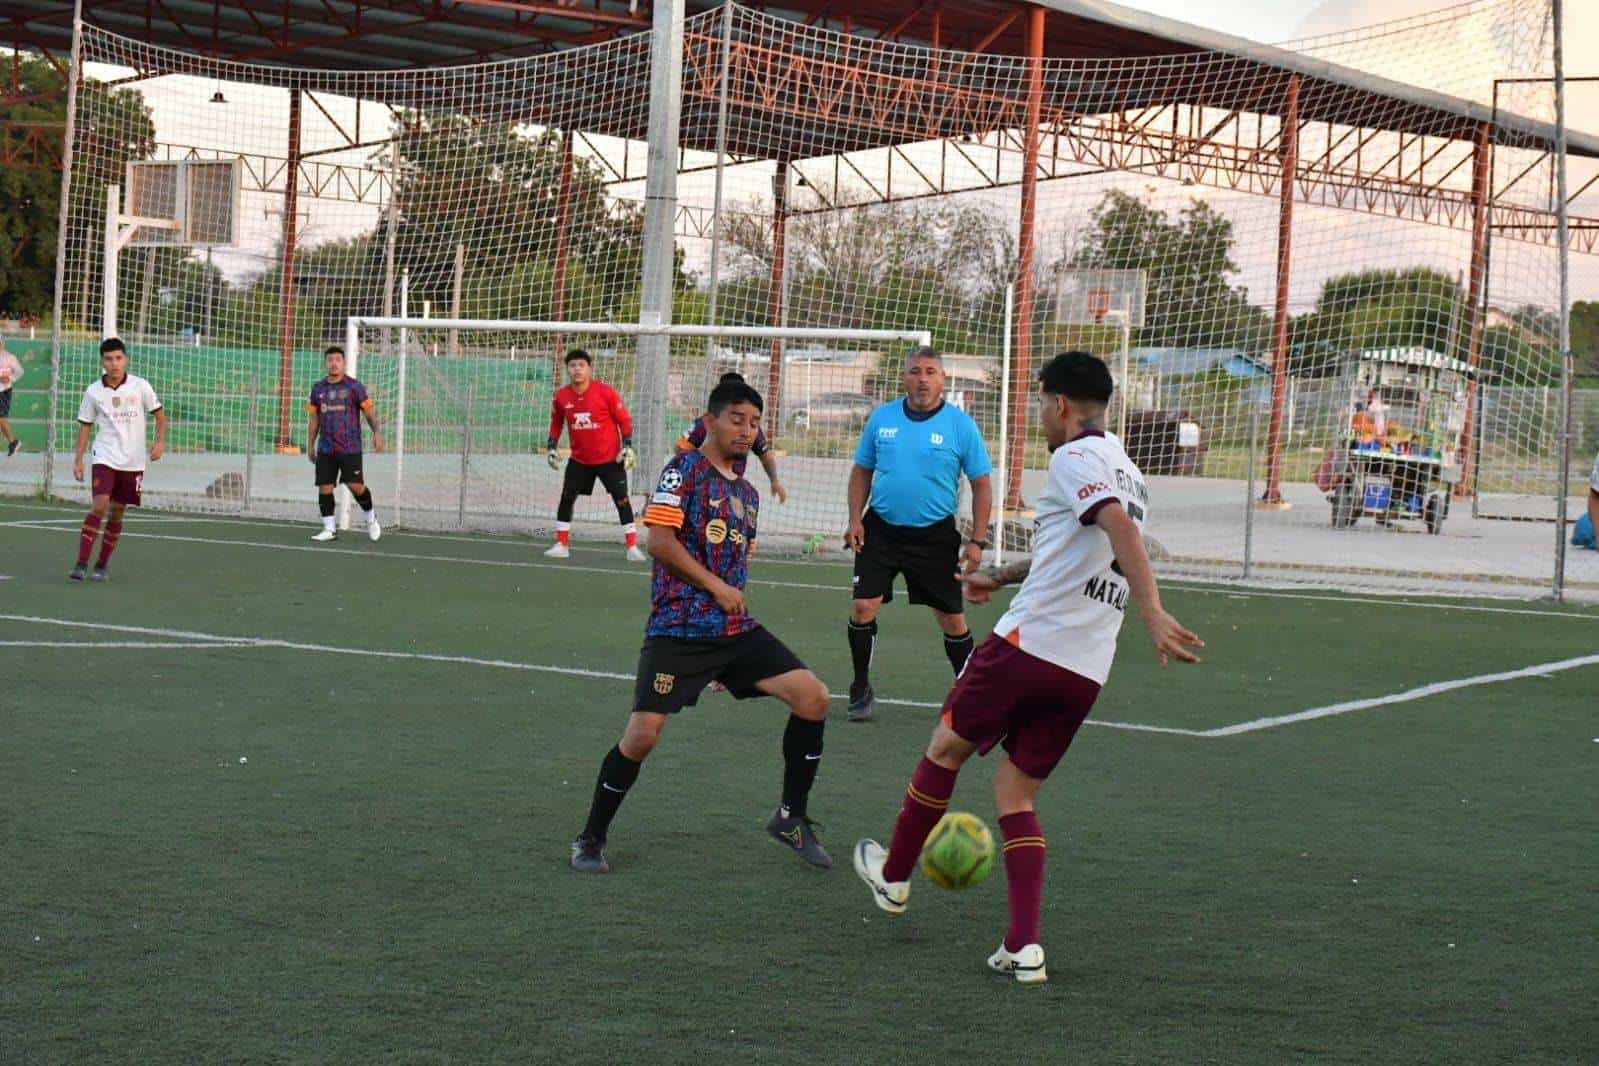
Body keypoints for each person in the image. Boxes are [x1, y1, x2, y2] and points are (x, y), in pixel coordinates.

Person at [852, 351, 1203, 984]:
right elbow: (1081, 547)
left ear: (1062, 405)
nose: (1041, 415)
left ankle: (895, 876)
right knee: (1016, 792)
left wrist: (1152, 610)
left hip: (1030, 647)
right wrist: (1002, 573)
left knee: (945, 747)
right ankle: (1023, 945)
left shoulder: (1075, 457)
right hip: (1086, 667)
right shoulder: (1129, 469)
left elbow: (1120, 533)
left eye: (1042, 403)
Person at [570, 379, 832, 874]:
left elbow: (737, 568)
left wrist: (726, 608)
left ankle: (790, 817)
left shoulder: (749, 495)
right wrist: (715, 587)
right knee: (643, 735)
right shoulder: (683, 471)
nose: (746, 430)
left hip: (733, 632)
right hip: (678, 630)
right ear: (709, 421)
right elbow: (660, 542)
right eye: (736, 419)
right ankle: (591, 837)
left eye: (753, 423)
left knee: (813, 697)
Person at [843, 345, 993, 722]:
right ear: (905, 376)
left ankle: (971, 695)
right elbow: (862, 470)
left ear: (942, 379)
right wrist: (854, 519)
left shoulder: (961, 426)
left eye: (930, 371)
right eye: (915, 371)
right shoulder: (882, 418)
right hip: (881, 531)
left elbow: (982, 485)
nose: (922, 378)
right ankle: (860, 686)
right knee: (863, 607)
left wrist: (977, 541)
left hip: (935, 537)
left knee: (952, 620)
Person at [69, 338, 167, 581]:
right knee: (100, 504)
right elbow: (85, 427)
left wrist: (160, 442)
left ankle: (101, 565)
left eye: (118, 358)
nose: (114, 364)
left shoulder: (140, 386)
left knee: (117, 512)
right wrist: (78, 459)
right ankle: (81, 563)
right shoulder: (93, 391)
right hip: (104, 455)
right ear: (102, 362)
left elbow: (160, 417)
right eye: (109, 359)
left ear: (126, 359)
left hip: (133, 461)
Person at [545, 350, 643, 561]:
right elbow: (556, 422)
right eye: (573, 365)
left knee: (622, 500)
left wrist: (627, 445)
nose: (577, 369)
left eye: (581, 365)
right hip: (580, 460)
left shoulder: (605, 392)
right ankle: (562, 544)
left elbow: (624, 420)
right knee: (566, 498)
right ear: (567, 369)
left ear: (589, 368)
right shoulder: (562, 396)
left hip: (609, 459)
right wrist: (551, 446)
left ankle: (632, 546)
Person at [308, 345, 383, 542]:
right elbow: (314, 419)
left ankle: (371, 516)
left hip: (350, 447)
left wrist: (377, 432)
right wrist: (310, 444)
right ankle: (329, 529)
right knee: (324, 486)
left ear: (344, 363)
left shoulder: (354, 387)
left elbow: (369, 413)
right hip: (326, 447)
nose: (334, 363)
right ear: (325, 363)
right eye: (330, 360)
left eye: (337, 360)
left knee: (355, 486)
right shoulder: (318, 388)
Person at [676, 371, 788, 502]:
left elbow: (765, 455)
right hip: (703, 488)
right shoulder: (705, 423)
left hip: (732, 489)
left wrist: (774, 481)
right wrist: (692, 470)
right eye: (736, 421)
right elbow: (681, 448)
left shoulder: (750, 428)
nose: (746, 432)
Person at [0, 338, 22, 456]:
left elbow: (19, 371)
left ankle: (14, 441)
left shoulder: (9, 357)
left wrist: (10, 378)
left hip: (3, 390)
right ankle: (13, 442)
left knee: (1, 417)